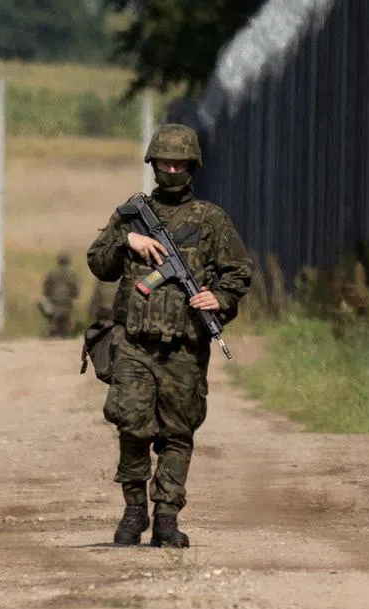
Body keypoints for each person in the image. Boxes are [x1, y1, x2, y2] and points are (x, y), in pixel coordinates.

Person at [86, 123, 252, 548]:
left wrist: (219, 298)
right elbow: (99, 263)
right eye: (165, 162)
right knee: (132, 427)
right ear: (153, 164)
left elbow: (238, 271)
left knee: (178, 433)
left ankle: (166, 516)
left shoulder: (210, 219)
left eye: (180, 163)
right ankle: (133, 510)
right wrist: (128, 241)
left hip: (184, 347)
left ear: (192, 166)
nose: (172, 169)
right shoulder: (130, 214)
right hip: (135, 345)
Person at [39, 251, 80, 337]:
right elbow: (75, 291)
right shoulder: (71, 275)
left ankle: (53, 329)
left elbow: (46, 289)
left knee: (53, 319)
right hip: (67, 305)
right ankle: (64, 331)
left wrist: (50, 296)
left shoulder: (52, 273)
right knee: (65, 325)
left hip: (54, 304)